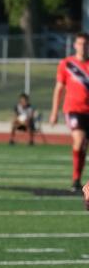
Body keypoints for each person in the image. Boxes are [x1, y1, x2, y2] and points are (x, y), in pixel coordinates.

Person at [50, 31, 89, 193]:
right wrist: (54, 111)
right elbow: (59, 88)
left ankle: (81, 180)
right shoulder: (67, 64)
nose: (83, 47)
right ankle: (75, 179)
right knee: (79, 141)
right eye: (80, 43)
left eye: (85, 44)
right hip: (73, 109)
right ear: (74, 45)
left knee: (84, 147)